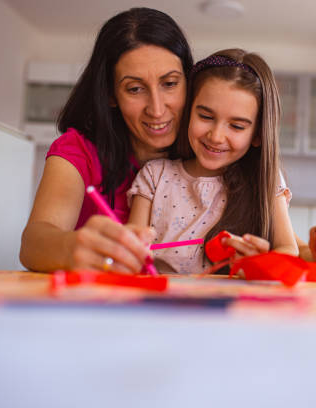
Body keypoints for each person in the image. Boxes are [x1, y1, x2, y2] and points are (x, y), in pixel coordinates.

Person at [19, 7, 316, 279]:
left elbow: (280, 245)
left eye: (170, 83)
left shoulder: (206, 156)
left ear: (190, 82)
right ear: (111, 94)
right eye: (134, 88)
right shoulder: (80, 150)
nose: (157, 109)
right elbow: (35, 241)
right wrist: (74, 247)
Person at [127, 49, 297, 274]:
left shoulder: (265, 179)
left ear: (257, 134)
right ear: (189, 112)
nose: (216, 136)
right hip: (162, 305)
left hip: (233, 305)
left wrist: (261, 263)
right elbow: (129, 252)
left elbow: (289, 250)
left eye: (237, 126)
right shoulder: (154, 176)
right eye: (206, 117)